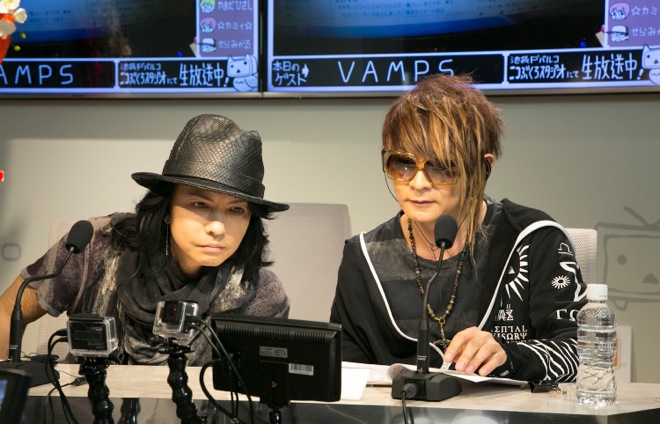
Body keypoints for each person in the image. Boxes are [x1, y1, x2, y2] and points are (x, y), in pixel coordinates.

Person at [330, 74, 587, 382]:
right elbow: (344, 372)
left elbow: (581, 351)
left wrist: (509, 357)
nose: (418, 183)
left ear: (483, 167)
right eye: (403, 163)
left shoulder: (533, 239)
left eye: (441, 166)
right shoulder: (363, 257)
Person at [0, 114, 290, 365]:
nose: (217, 227)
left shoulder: (258, 292)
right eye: (200, 204)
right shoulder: (97, 247)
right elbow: (6, 311)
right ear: (167, 210)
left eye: (236, 210)